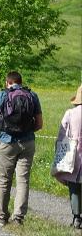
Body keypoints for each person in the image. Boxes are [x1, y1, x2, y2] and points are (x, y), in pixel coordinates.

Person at [0, 71, 43, 226]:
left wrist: (2, 131)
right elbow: (39, 124)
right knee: (23, 180)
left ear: (8, 82)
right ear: (21, 81)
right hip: (27, 143)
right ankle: (18, 217)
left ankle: (2, 216)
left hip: (6, 142)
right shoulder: (32, 96)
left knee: (4, 181)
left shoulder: (1, 95)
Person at [53, 84, 82, 229]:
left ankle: (77, 218)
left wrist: (57, 149)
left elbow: (61, 135)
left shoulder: (70, 113)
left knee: (74, 187)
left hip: (75, 156)